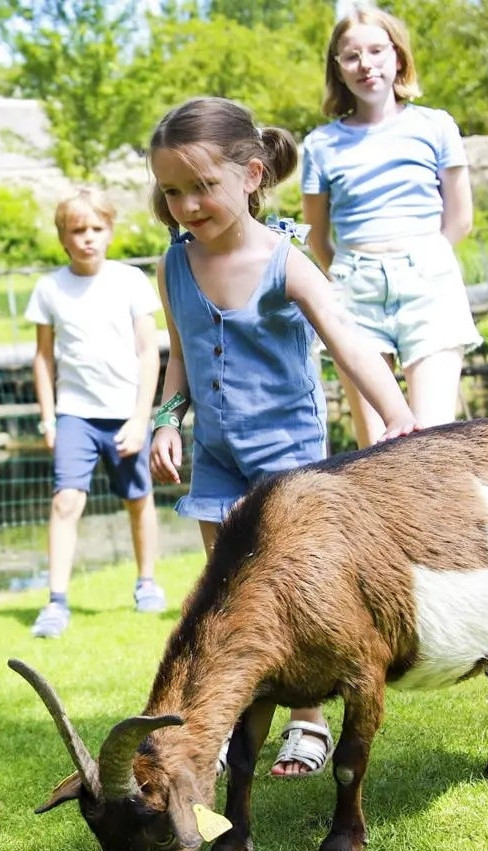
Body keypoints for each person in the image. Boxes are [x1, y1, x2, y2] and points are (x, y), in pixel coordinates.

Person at [145, 97, 418, 779]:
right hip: (215, 462)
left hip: (289, 469)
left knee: (299, 598)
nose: (186, 205)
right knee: (231, 599)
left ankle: (309, 719)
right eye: (172, 190)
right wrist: (165, 418)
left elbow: (346, 339)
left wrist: (398, 414)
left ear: (252, 174)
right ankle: (239, 723)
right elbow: (179, 356)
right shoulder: (173, 266)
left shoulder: (284, 261)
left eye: (202, 186)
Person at [289, 8, 481, 778]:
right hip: (357, 285)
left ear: (396, 57)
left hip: (426, 276)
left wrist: (425, 260)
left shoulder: (434, 124)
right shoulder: (321, 145)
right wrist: (355, 281)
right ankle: (385, 608)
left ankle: (461, 598)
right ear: (337, 69)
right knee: (375, 460)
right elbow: (319, 238)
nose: (365, 64)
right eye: (350, 55)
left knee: (431, 445)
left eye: (376, 51)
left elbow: (458, 214)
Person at [25, 187, 167, 639]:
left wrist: (141, 418)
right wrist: (48, 417)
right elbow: (44, 359)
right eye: (77, 230)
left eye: (96, 228)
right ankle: (56, 602)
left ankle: (146, 583)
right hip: (75, 415)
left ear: (109, 231)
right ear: (63, 238)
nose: (87, 238)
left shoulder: (130, 282)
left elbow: (150, 353)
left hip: (126, 413)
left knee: (137, 499)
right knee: (66, 500)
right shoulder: (49, 288)